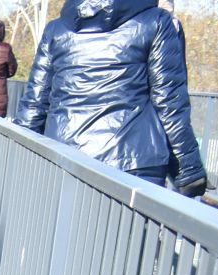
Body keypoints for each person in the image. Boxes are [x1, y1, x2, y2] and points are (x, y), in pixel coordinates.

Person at [13, 0, 206, 194]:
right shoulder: (155, 21)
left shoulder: (56, 30)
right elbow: (169, 101)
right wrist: (189, 168)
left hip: (65, 155)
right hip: (133, 161)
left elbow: (34, 103)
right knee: (129, 225)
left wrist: (17, 159)